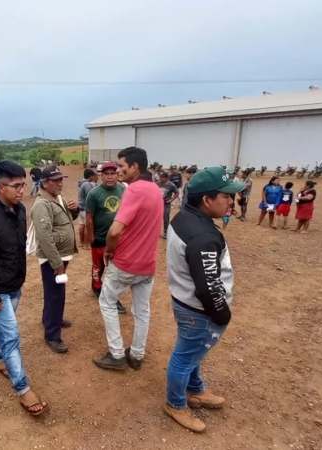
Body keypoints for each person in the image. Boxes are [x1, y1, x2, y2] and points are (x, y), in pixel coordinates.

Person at [164, 166, 243, 433]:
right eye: (225, 196)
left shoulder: (182, 217)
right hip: (197, 311)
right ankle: (175, 403)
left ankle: (195, 390)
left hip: (183, 301)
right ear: (207, 200)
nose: (231, 201)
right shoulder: (203, 236)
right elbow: (208, 286)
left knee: (191, 352)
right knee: (184, 357)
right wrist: (222, 314)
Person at [0, 161, 49, 416]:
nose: (21, 190)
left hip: (15, 283)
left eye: (23, 184)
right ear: (0, 186)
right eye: (16, 186)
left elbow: (18, 246)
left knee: (3, 326)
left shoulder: (20, 210)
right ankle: (23, 388)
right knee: (12, 335)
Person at [92, 147, 162, 371]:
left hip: (126, 263)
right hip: (147, 265)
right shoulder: (155, 190)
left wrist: (109, 251)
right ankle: (137, 354)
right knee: (142, 311)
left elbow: (114, 231)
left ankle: (116, 354)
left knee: (106, 301)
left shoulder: (133, 190)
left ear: (135, 167)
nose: (119, 171)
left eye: (122, 166)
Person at [30, 165, 79, 354]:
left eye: (61, 179)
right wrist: (57, 263)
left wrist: (74, 210)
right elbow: (44, 237)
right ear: (44, 183)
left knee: (55, 292)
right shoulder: (42, 204)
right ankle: (52, 335)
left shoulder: (57, 198)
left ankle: (51, 319)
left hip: (60, 255)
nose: (60, 183)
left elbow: (65, 221)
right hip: (53, 258)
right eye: (55, 180)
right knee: (55, 295)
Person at [84, 162, 127, 314]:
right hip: (100, 237)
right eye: (106, 174)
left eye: (113, 173)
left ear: (117, 175)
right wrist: (91, 238)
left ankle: (112, 296)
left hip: (118, 239)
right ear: (101, 176)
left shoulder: (123, 189)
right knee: (98, 266)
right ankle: (96, 286)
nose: (110, 177)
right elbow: (89, 217)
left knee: (116, 269)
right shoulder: (94, 194)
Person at [77, 169, 98, 249]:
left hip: (80, 207)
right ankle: (86, 244)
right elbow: (90, 196)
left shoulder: (82, 183)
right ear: (91, 176)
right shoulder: (87, 184)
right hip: (85, 207)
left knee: (81, 225)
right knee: (87, 226)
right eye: (93, 176)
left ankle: (81, 242)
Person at [157, 172, 179, 238]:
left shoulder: (171, 185)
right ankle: (157, 232)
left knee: (166, 218)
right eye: (160, 178)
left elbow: (177, 193)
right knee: (157, 218)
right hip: (158, 204)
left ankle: (166, 232)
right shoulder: (157, 183)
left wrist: (171, 200)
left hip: (166, 204)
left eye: (162, 178)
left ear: (166, 178)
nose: (160, 179)